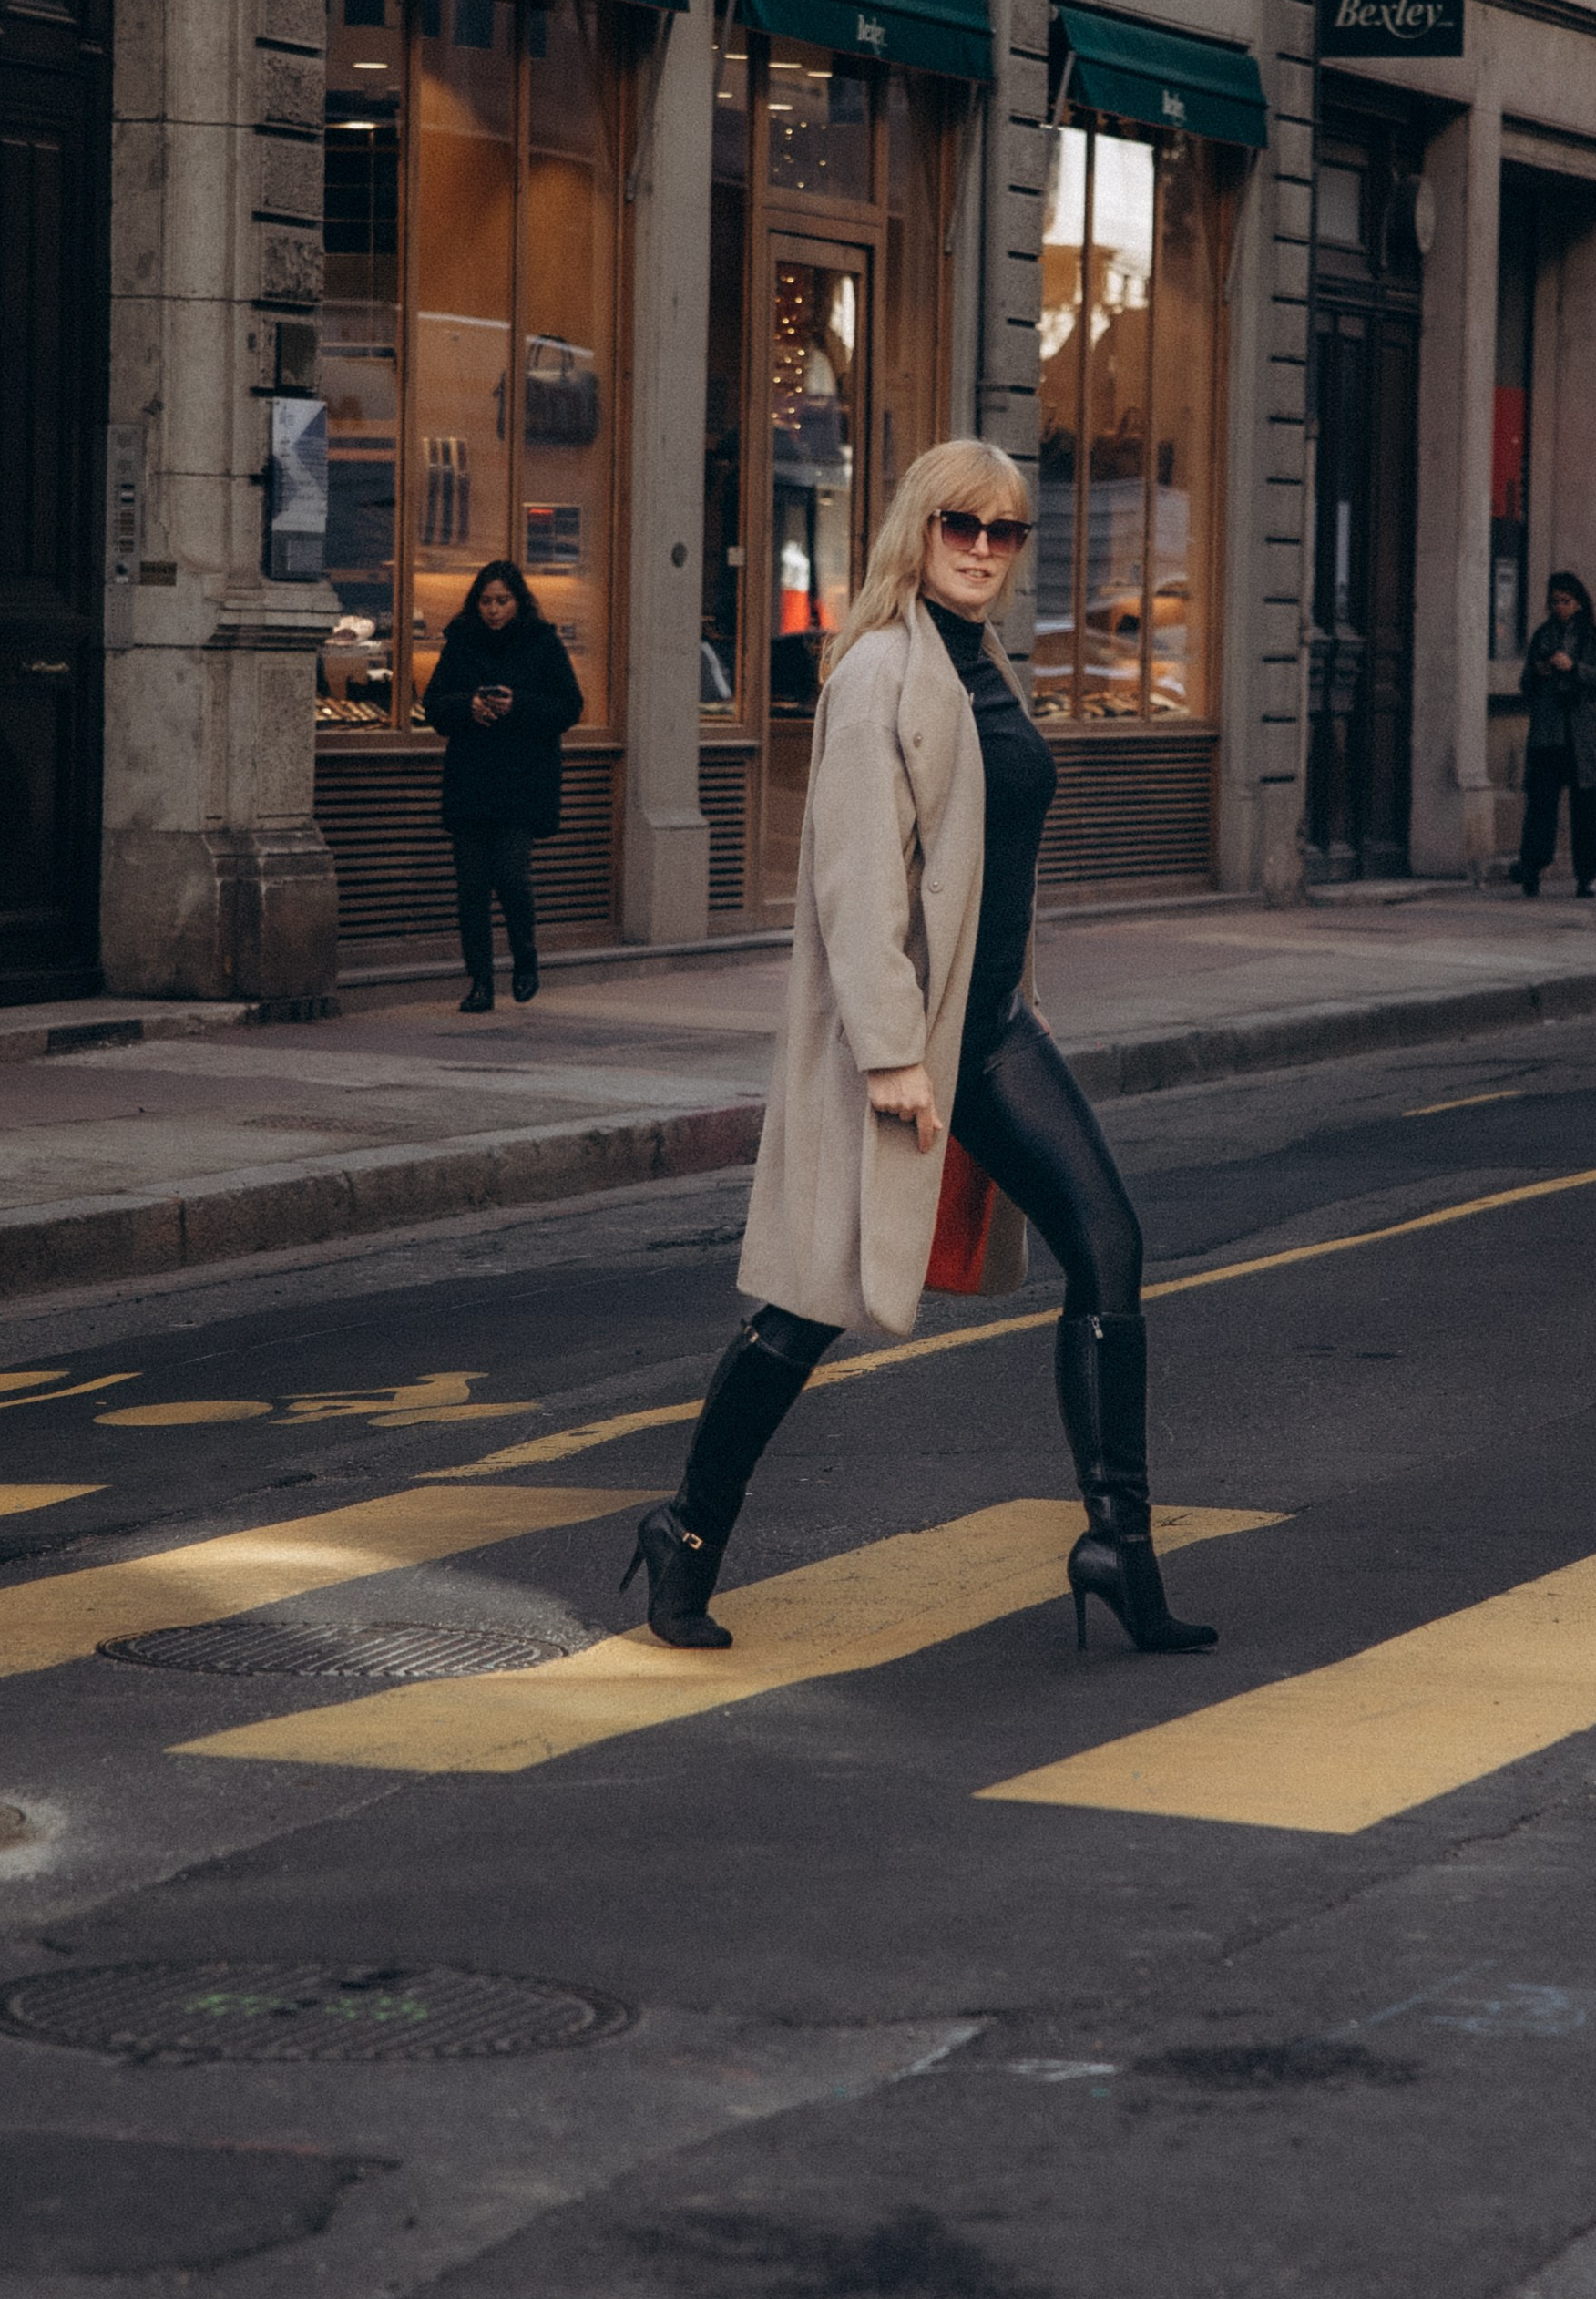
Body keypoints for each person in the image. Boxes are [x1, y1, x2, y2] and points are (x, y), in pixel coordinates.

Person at [620, 437, 1215, 1662]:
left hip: (994, 1030)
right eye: (964, 526)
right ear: (917, 527)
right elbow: (853, 886)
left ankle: (1119, 1545)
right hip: (907, 1042)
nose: (987, 551)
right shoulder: (884, 668)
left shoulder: (980, 660)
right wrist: (893, 1054)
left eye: (1008, 532)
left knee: (1108, 1245)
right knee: (811, 1300)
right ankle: (685, 1534)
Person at [423, 560, 584, 1011]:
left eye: (502, 601)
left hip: (521, 782)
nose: (493, 610)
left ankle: (525, 960)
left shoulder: (542, 642)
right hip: (471, 778)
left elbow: (570, 706)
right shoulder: (461, 641)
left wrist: (519, 705)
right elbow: (433, 705)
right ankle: (480, 982)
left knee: (512, 876)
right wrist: (467, 706)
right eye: (486, 601)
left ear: (518, 601)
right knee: (471, 886)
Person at [1518, 571, 1596, 900]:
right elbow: (1525, 684)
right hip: (1549, 733)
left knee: (1585, 811)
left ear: (1579, 603)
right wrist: (1539, 671)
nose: (1559, 607)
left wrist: (1574, 667)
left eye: (1566, 601)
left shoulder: (1594, 638)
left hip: (1583, 737)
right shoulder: (1542, 635)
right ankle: (1532, 868)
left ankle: (1586, 876)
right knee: (1541, 804)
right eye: (1554, 601)